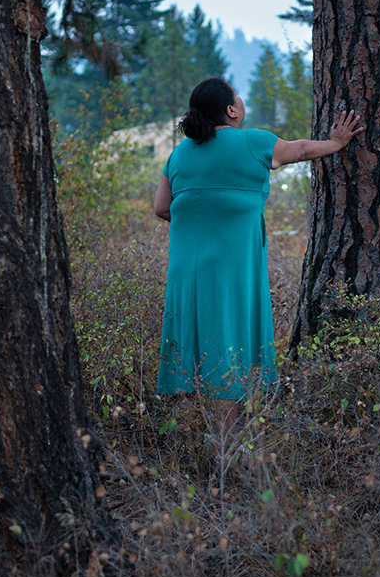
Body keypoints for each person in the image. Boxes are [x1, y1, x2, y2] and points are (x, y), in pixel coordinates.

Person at [154, 77, 363, 433]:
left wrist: (204, 213)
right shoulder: (252, 141)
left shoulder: (180, 153)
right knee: (226, 338)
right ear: (231, 110)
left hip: (185, 268)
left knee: (186, 339)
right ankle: (227, 444)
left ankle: (184, 439)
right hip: (231, 267)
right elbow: (298, 151)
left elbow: (161, 207)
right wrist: (337, 142)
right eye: (236, 95)